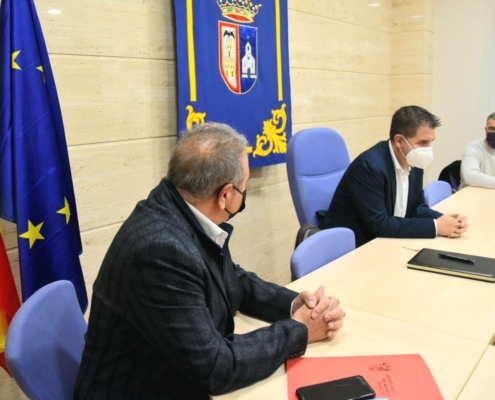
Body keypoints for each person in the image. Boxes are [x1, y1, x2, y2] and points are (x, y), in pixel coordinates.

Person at [74, 123, 346, 400]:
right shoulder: (159, 250)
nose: (243, 196)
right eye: (244, 187)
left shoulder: (181, 208)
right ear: (225, 195)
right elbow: (216, 367)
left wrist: (295, 305)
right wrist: (299, 330)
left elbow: (231, 277)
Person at [322, 105, 468, 248]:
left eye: (431, 142)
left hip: (388, 240)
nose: (428, 149)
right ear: (399, 141)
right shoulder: (369, 167)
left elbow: (416, 207)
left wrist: (441, 219)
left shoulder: (415, 160)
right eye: (423, 142)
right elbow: (380, 225)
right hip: (355, 246)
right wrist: (436, 227)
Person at [459, 112, 495, 189]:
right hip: (470, 196)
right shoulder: (473, 148)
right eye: (492, 129)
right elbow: (470, 176)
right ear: (486, 129)